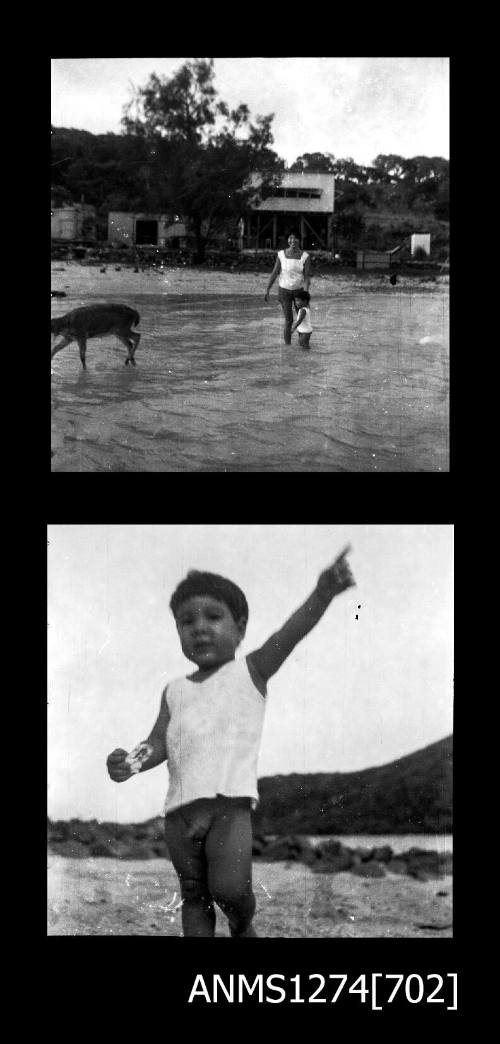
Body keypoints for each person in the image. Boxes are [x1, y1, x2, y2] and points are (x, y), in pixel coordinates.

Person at [106, 548, 355, 939]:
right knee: (193, 894)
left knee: (230, 890)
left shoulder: (251, 671)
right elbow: (157, 742)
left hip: (229, 807)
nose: (199, 628)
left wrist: (322, 593)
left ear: (240, 627)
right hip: (179, 814)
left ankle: (242, 925)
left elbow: (289, 634)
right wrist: (130, 763)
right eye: (186, 621)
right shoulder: (174, 690)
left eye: (213, 617)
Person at [264, 232, 311, 344]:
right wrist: (267, 289)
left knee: (302, 320)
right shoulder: (281, 254)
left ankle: (302, 344)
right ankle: (287, 348)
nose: (293, 240)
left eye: (295, 238)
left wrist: (306, 295)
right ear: (287, 240)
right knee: (288, 320)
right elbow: (274, 273)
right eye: (290, 238)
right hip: (284, 291)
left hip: (299, 292)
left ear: (299, 240)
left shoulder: (305, 256)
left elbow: (307, 278)